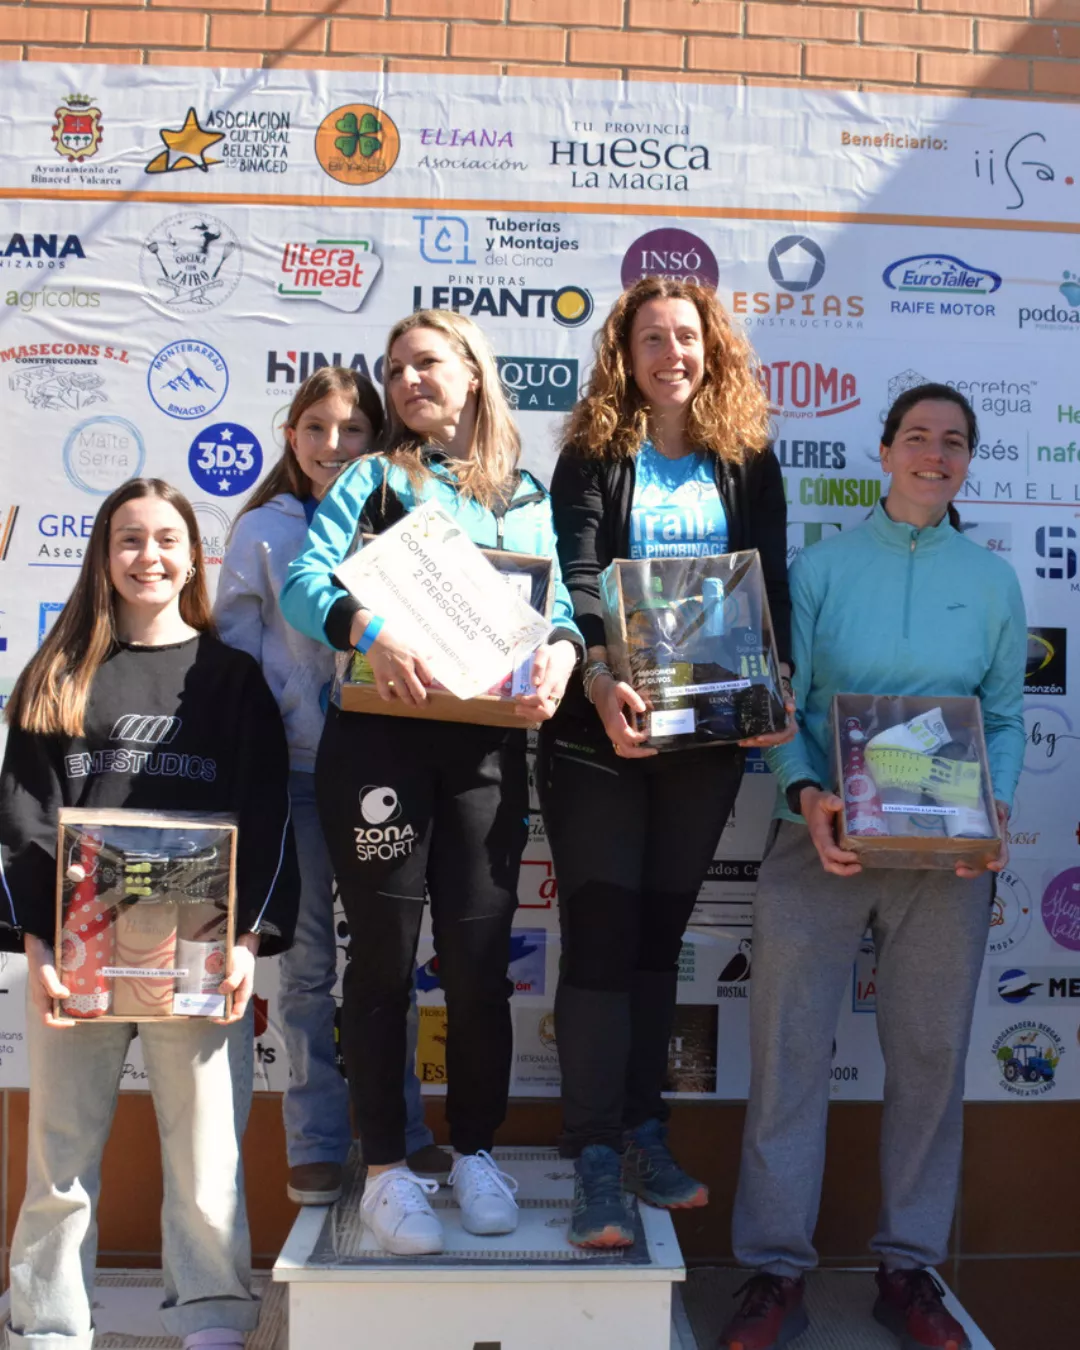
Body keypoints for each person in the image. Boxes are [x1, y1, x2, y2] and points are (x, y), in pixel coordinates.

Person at [720, 384, 1025, 1350]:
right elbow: (784, 705)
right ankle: (773, 1272)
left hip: (947, 860)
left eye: (955, 443)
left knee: (931, 1063)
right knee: (787, 1057)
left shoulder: (992, 581)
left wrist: (997, 802)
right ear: (885, 450)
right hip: (821, 843)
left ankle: (908, 1269)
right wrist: (806, 793)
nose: (935, 455)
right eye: (919, 438)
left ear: (968, 461)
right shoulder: (821, 569)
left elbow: (1007, 716)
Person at [280, 309, 584, 1256]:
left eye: (427, 363)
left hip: (484, 755)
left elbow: (561, 609)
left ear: (473, 375)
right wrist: (371, 633)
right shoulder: (373, 478)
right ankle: (384, 1172)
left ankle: (478, 1152)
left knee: (481, 962)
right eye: (396, 369)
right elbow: (303, 581)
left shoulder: (523, 492)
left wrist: (562, 659)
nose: (409, 380)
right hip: (375, 746)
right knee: (379, 962)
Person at [0, 478, 298, 1350]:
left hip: (197, 954)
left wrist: (247, 940)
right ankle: (47, 1321)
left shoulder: (229, 678)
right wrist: (38, 945)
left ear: (191, 556)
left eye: (166, 539)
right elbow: (20, 821)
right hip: (77, 952)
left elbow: (267, 814)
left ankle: (209, 1314)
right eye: (130, 539)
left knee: (207, 1154)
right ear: (103, 554)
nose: (148, 557)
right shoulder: (58, 672)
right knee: (60, 1156)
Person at [539, 276, 794, 1249]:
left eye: (685, 336)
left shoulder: (746, 461)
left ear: (711, 349)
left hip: (706, 737)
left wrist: (773, 691)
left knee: (657, 942)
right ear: (625, 354)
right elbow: (577, 573)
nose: (670, 354)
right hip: (598, 729)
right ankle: (594, 1155)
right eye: (651, 338)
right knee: (601, 942)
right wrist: (602, 684)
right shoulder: (596, 454)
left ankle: (646, 1133)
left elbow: (770, 578)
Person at [215, 365, 450, 1208]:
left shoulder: (405, 519)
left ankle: (406, 1131)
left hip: (388, 770)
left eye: (352, 431)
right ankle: (314, 1140)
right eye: (316, 429)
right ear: (290, 436)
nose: (333, 447)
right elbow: (235, 661)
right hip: (300, 779)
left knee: (391, 963)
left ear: (377, 440)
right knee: (309, 967)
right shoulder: (260, 534)